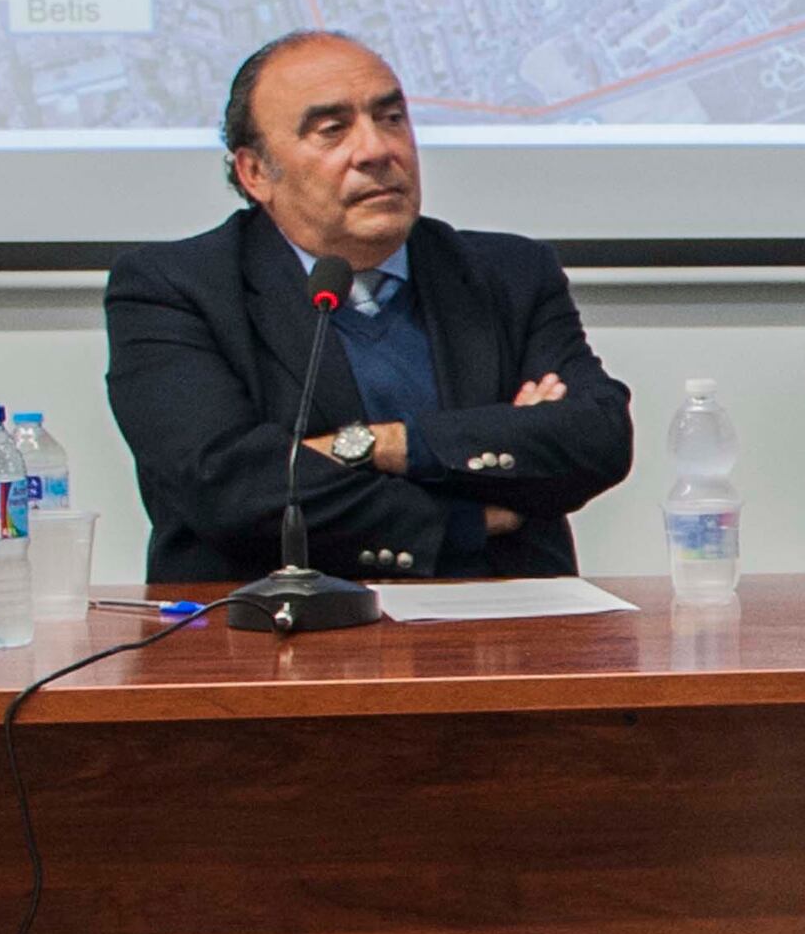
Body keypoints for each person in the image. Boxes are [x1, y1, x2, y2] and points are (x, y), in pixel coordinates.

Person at [104, 30, 635, 586]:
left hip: (505, 630)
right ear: (255, 172)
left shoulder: (506, 272)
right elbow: (230, 486)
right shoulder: (174, 290)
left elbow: (594, 438)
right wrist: (464, 519)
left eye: (391, 119)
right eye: (332, 130)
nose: (378, 151)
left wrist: (378, 447)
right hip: (274, 637)